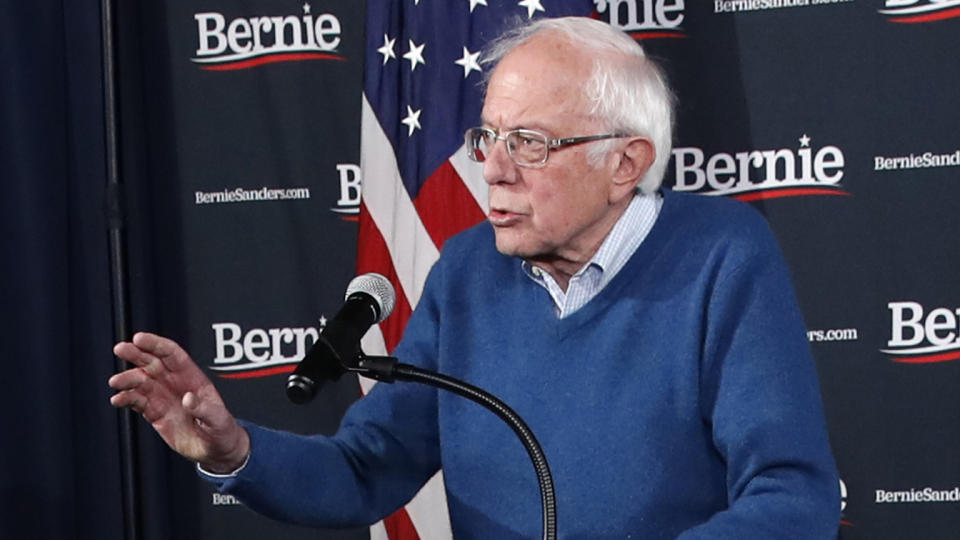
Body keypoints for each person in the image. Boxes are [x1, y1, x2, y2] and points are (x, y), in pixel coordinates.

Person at [110, 16, 840, 539]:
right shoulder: (466, 273)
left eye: (529, 141)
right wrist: (237, 449)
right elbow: (367, 469)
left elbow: (792, 495)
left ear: (625, 164)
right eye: (487, 135)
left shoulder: (722, 257)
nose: (492, 166)